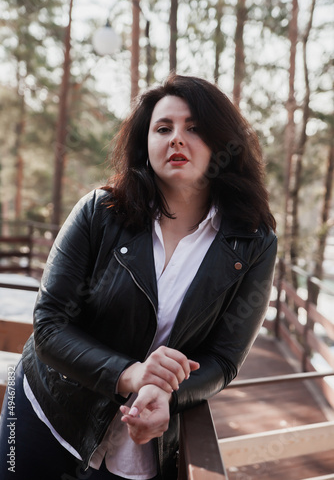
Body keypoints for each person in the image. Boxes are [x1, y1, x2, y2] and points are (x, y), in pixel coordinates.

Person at [0, 74, 277, 480]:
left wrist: (169, 392)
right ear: (145, 145)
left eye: (195, 128)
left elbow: (223, 359)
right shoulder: (99, 212)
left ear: (223, 143)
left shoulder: (253, 241)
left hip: (141, 443)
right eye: (163, 128)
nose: (177, 139)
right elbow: (50, 325)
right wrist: (130, 374)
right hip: (46, 413)